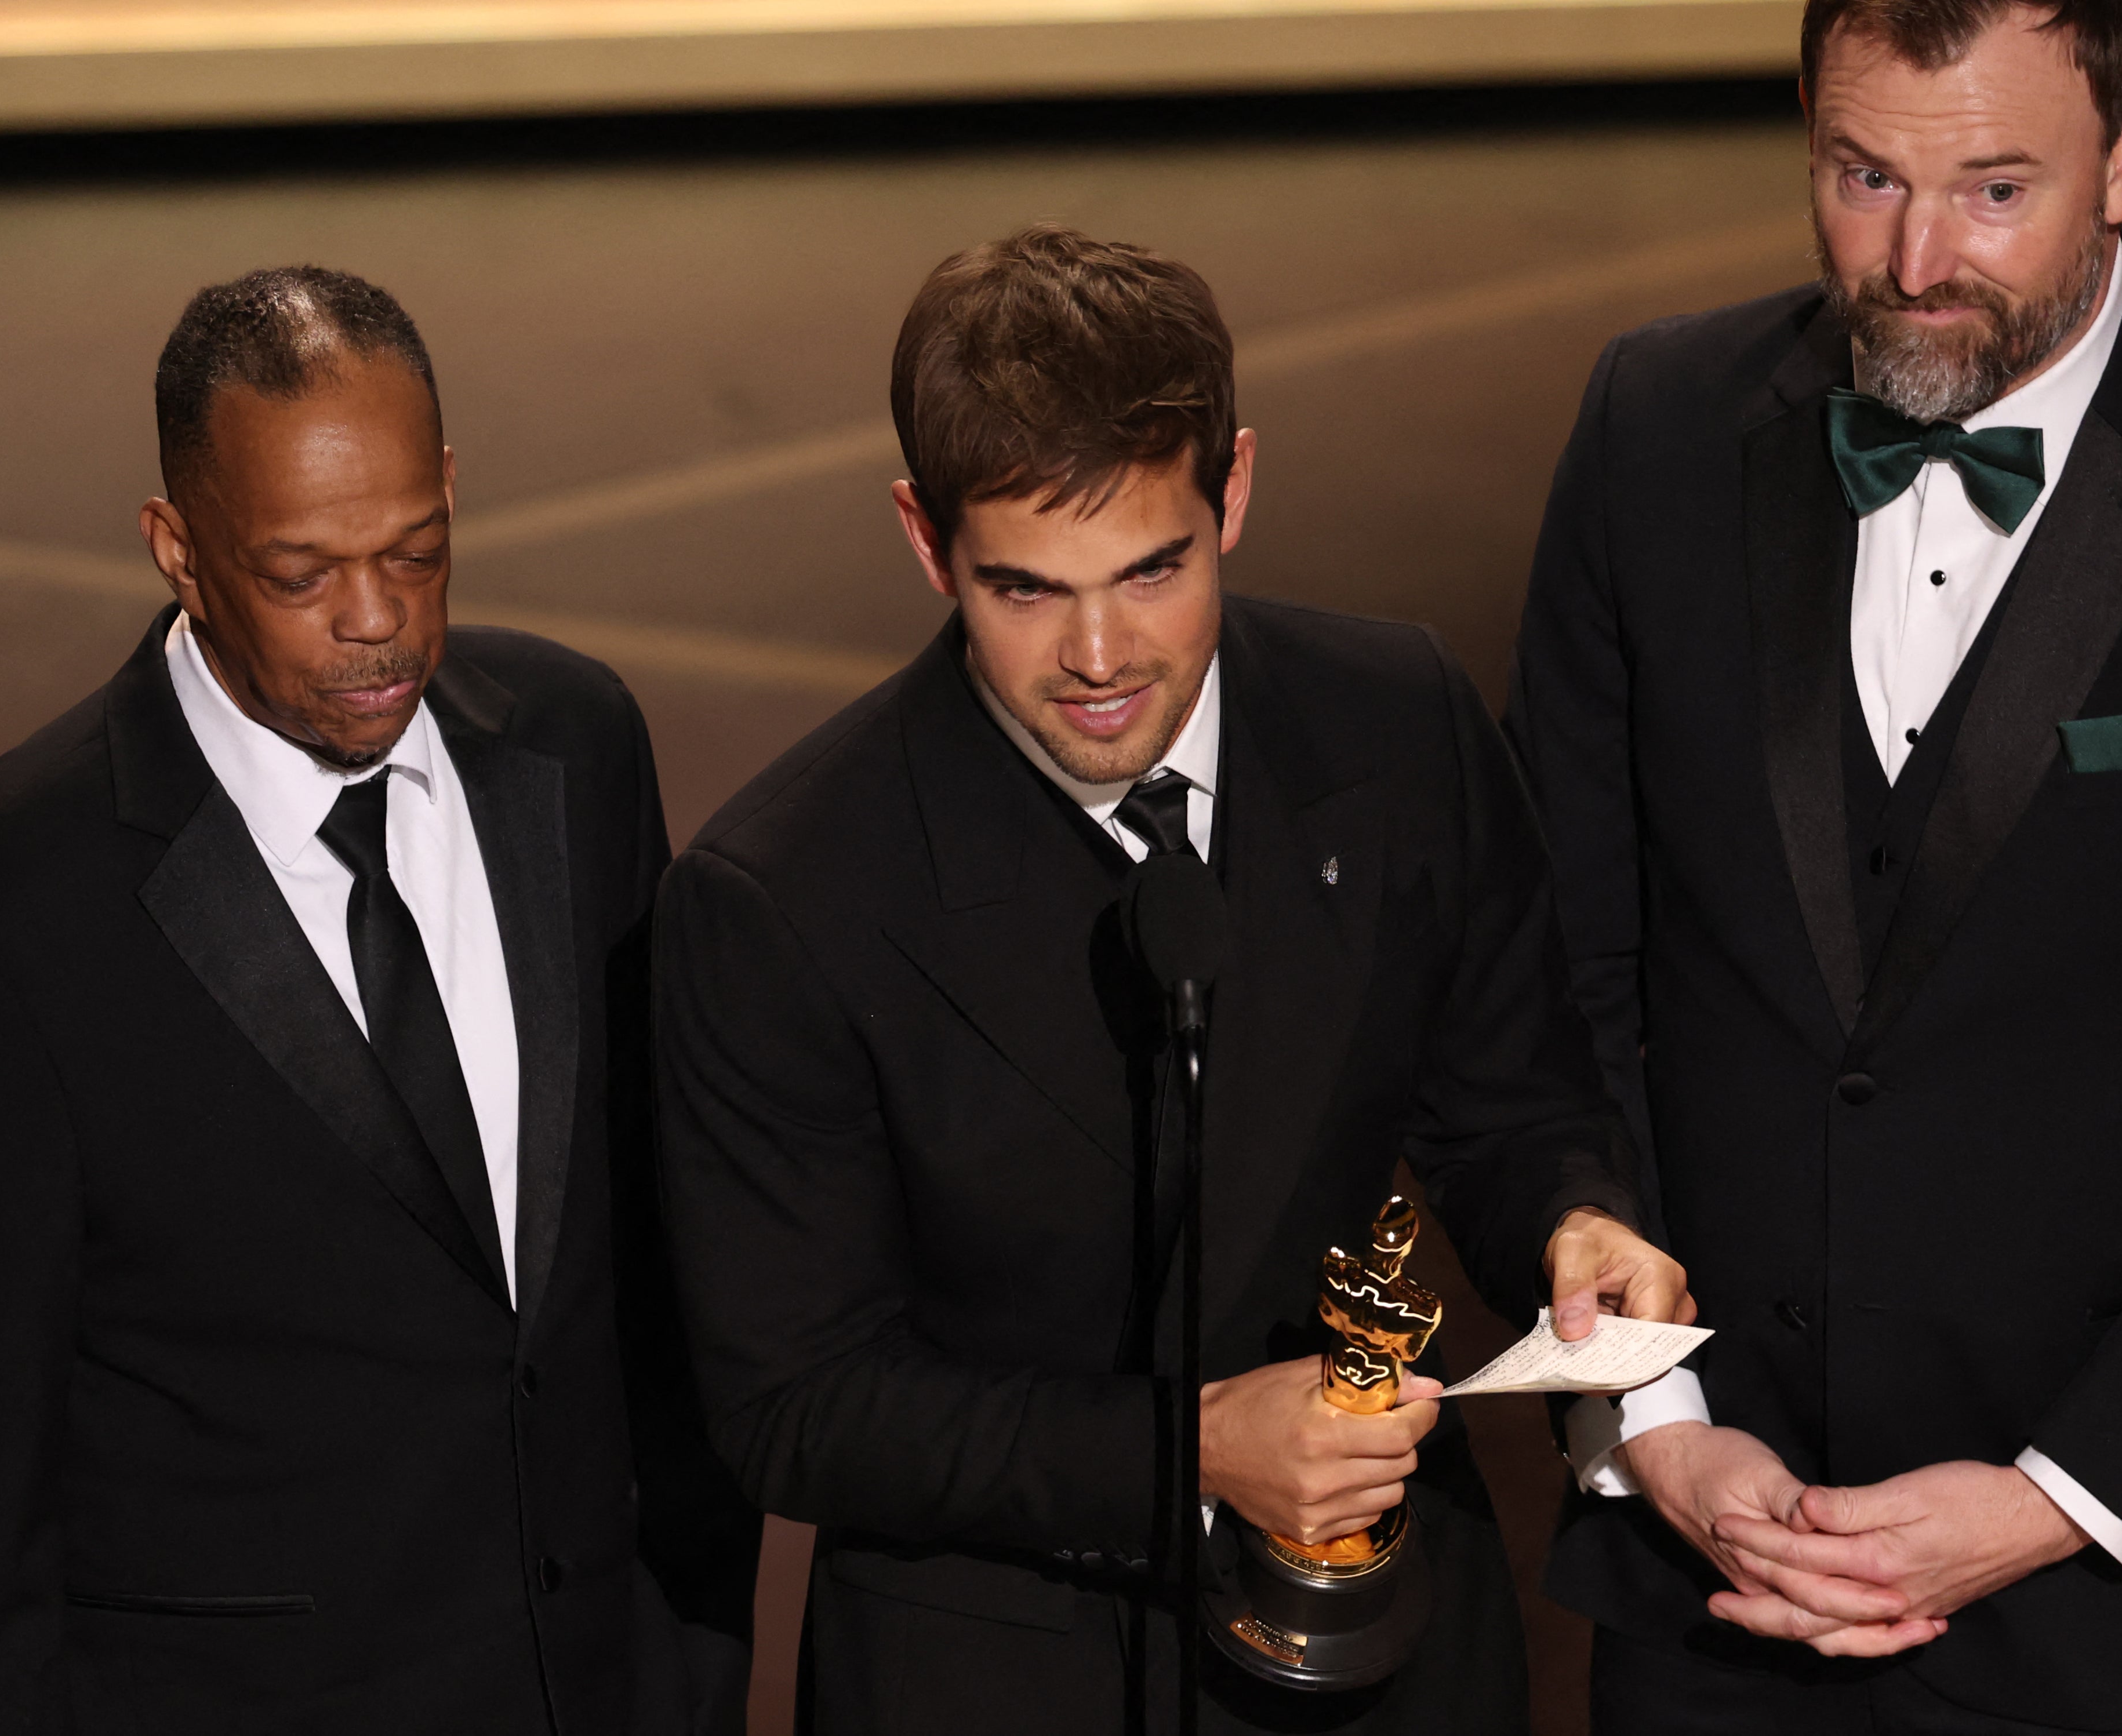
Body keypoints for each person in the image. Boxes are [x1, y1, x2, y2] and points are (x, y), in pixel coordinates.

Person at [1509, 0, 2122, 1729]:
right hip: (1713, 1581)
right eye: (1861, 175)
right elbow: (1554, 969)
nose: (1911, 259)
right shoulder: (1649, 430)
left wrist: (2055, 1495)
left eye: (1992, 189)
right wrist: (1656, 1426)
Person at [652, 224, 1689, 1735]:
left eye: (1153, 569)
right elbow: (793, 1404)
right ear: (922, 539)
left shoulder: (1395, 723)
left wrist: (1573, 1218)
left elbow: (1512, 1094)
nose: (1098, 655)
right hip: (1002, 1671)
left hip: (1389, 1641)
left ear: (1237, 490)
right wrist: (1185, 1449)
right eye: (1022, 589)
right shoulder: (777, 899)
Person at [0, 266, 758, 1734]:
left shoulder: (577, 750)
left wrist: (690, 1656)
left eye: (416, 550)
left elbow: (637, 1281)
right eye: (299, 574)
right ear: (177, 546)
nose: (376, 623)